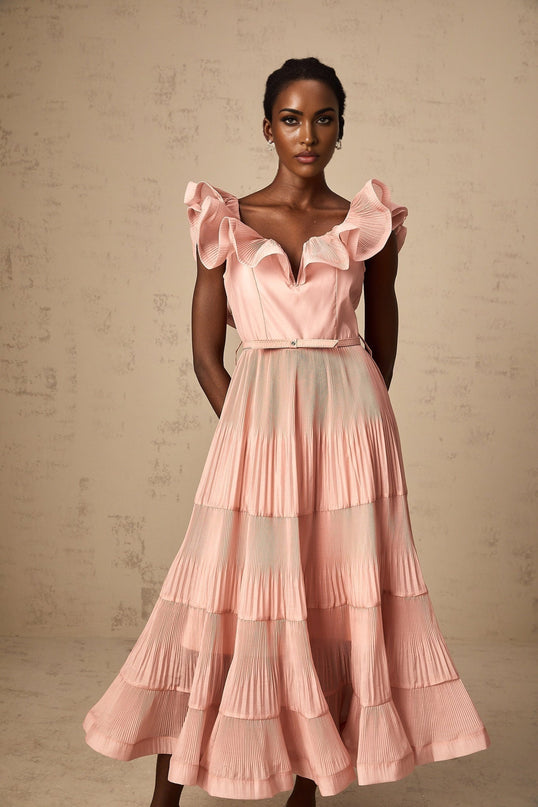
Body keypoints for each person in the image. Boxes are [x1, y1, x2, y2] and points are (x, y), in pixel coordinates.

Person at [83, 57, 490, 807]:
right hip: (257, 432)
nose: (308, 134)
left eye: (324, 119)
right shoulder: (225, 219)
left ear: (341, 128)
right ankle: (166, 796)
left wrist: (353, 428)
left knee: (332, 608)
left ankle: (308, 789)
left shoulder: (365, 225)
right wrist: (251, 432)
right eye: (292, 119)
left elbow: (381, 344)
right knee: (220, 602)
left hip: (351, 434)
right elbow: (206, 353)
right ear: (267, 127)